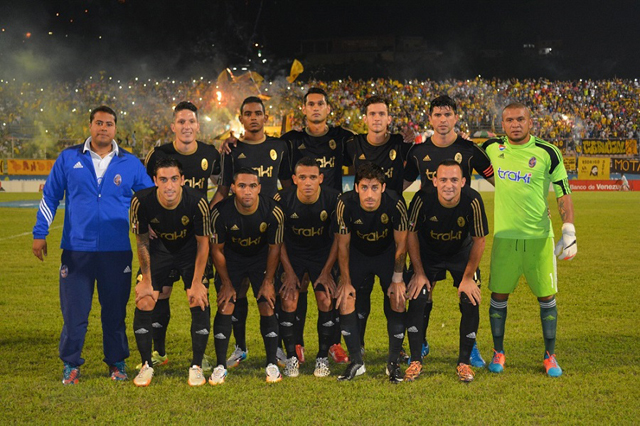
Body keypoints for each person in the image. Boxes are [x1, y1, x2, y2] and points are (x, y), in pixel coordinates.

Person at [32, 106, 153, 385]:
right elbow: (50, 197)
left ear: (115, 129)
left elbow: (149, 201)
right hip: (77, 250)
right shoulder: (68, 158)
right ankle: (71, 364)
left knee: (114, 312)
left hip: (116, 251)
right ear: (90, 126)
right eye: (99, 123)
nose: (103, 128)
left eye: (109, 124)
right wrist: (41, 232)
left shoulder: (130, 163)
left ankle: (117, 363)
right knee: (75, 313)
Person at [482, 102, 576, 377]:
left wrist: (568, 228)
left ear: (530, 122)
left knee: (547, 296)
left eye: (520, 119)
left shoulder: (548, 152)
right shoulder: (491, 148)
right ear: (503, 123)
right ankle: (498, 352)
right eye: (509, 120)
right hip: (504, 237)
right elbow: (472, 163)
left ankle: (550, 356)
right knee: (498, 295)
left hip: (539, 238)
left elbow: (562, 189)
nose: (514, 124)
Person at [403, 94, 494, 367]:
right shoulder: (418, 153)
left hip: (461, 240)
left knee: (470, 294)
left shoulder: (470, 150)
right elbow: (399, 187)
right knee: (421, 292)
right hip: (426, 239)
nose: (443, 120)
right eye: (437, 115)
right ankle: (422, 343)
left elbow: (501, 183)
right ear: (430, 119)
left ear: (456, 117)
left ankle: (471, 346)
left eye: (448, 115)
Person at [211, 96, 292, 369]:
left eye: (258, 113)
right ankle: (240, 347)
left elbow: (287, 186)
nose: (254, 117)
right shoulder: (231, 149)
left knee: (270, 292)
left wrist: (282, 208)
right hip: (236, 232)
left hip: (268, 230)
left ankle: (277, 348)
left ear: (265, 117)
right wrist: (206, 216)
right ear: (241, 118)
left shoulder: (280, 146)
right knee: (236, 291)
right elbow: (223, 189)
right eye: (248, 113)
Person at [140, 101, 220, 371]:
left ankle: (200, 356)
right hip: (162, 238)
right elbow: (145, 188)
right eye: (181, 122)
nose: (187, 126)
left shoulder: (211, 153)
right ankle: (159, 351)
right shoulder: (158, 153)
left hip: (193, 239)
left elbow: (221, 186)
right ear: (173, 126)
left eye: (191, 122)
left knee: (198, 293)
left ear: (198, 126)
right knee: (159, 294)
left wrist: (208, 211)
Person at [278, 88, 354, 364]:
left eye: (320, 103)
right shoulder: (291, 141)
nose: (316, 108)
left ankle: (332, 344)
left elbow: (370, 148)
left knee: (328, 291)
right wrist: (232, 143)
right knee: (295, 289)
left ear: (328, 108)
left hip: (328, 226)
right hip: (298, 223)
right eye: (311, 104)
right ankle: (296, 345)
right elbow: (261, 150)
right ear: (304, 109)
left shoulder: (341, 138)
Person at [129, 157, 211, 387]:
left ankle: (196, 365)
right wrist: (146, 280)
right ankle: (147, 364)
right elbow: (142, 242)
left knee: (198, 298)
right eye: (163, 179)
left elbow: (203, 244)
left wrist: (196, 282)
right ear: (155, 180)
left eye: (174, 179)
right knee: (145, 299)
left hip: (189, 252)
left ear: (182, 180)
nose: (169, 186)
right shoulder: (141, 202)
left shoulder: (198, 202)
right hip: (159, 251)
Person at [406, 160, 488, 382]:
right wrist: (419, 272)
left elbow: (479, 240)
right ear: (435, 181)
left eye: (454, 180)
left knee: (470, 298)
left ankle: (464, 361)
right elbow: (410, 234)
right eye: (443, 179)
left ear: (463, 181)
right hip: (427, 254)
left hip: (461, 254)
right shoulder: (421, 199)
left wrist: (469, 277)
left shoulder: (472, 200)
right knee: (417, 294)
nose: (448, 185)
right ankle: (416, 358)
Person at [208, 168, 285, 384]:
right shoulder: (220, 213)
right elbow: (217, 250)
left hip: (261, 259)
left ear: (259, 188)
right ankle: (222, 364)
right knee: (227, 302)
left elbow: (275, 248)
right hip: (231, 259)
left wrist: (269, 282)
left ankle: (271, 364)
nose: (247, 191)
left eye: (252, 186)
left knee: (267, 302)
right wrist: (226, 283)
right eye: (242, 186)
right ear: (233, 188)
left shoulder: (273, 211)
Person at [334, 162, 409, 383]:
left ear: (383, 188)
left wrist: (397, 278)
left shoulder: (395, 203)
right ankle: (356, 362)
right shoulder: (344, 203)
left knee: (398, 297)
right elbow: (343, 246)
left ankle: (393, 363)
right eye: (364, 187)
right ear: (356, 188)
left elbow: (402, 243)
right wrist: (346, 280)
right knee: (345, 299)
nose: (369, 193)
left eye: (374, 187)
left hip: (387, 254)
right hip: (358, 254)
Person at [273, 157, 341, 377]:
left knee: (325, 297)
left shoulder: (333, 199)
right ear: (294, 179)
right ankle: (292, 356)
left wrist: (326, 271)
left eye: (313, 177)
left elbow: (339, 239)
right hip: (292, 256)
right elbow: (277, 239)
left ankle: (322, 357)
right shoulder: (282, 199)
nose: (308, 182)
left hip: (322, 256)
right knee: (289, 297)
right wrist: (290, 272)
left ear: (321, 178)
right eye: (302, 177)